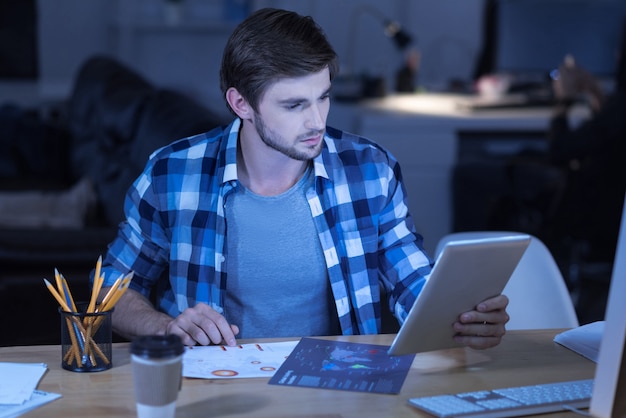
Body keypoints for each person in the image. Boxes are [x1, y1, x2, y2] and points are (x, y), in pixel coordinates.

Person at [96, 8, 509, 348]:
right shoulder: (172, 173)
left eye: (323, 97)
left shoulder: (369, 170)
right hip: (212, 391)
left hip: (339, 389)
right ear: (241, 103)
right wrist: (165, 327)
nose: (317, 122)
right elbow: (108, 292)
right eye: (294, 105)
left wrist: (463, 318)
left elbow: (412, 283)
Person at [546, 23, 626, 320]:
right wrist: (597, 96)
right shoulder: (617, 108)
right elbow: (607, 137)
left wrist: (563, 100)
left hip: (597, 217)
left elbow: (560, 150)